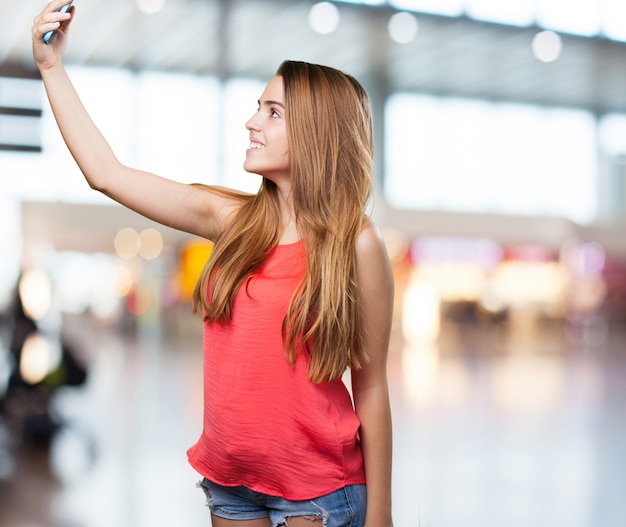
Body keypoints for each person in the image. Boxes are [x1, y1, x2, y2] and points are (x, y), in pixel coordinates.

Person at [32, 2, 394, 526]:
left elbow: (373, 384)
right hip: (231, 483)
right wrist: (51, 70)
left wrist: (380, 515)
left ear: (318, 132)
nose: (251, 122)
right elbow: (105, 172)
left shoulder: (357, 242)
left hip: (319, 491)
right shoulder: (232, 219)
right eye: (257, 107)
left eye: (273, 112)